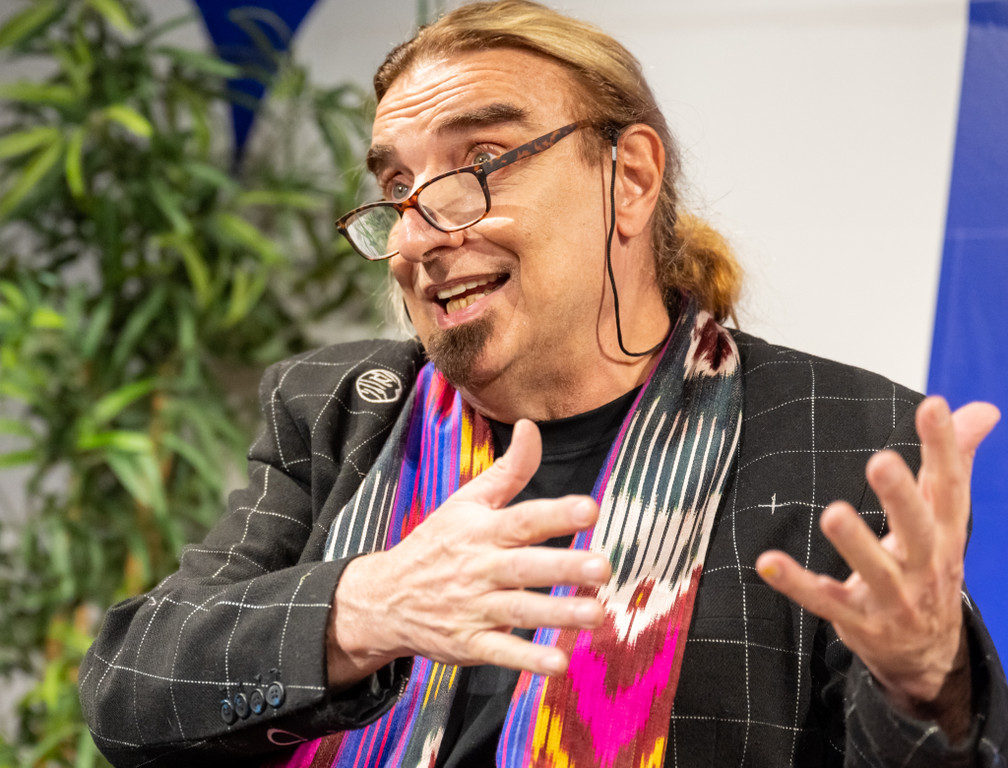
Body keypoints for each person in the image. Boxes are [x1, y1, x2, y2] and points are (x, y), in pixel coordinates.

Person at [79, 1, 1008, 766]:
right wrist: (364, 606)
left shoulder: (842, 439)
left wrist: (928, 687)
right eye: (397, 190)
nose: (417, 236)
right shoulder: (337, 411)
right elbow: (128, 690)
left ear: (629, 179)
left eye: (480, 164)